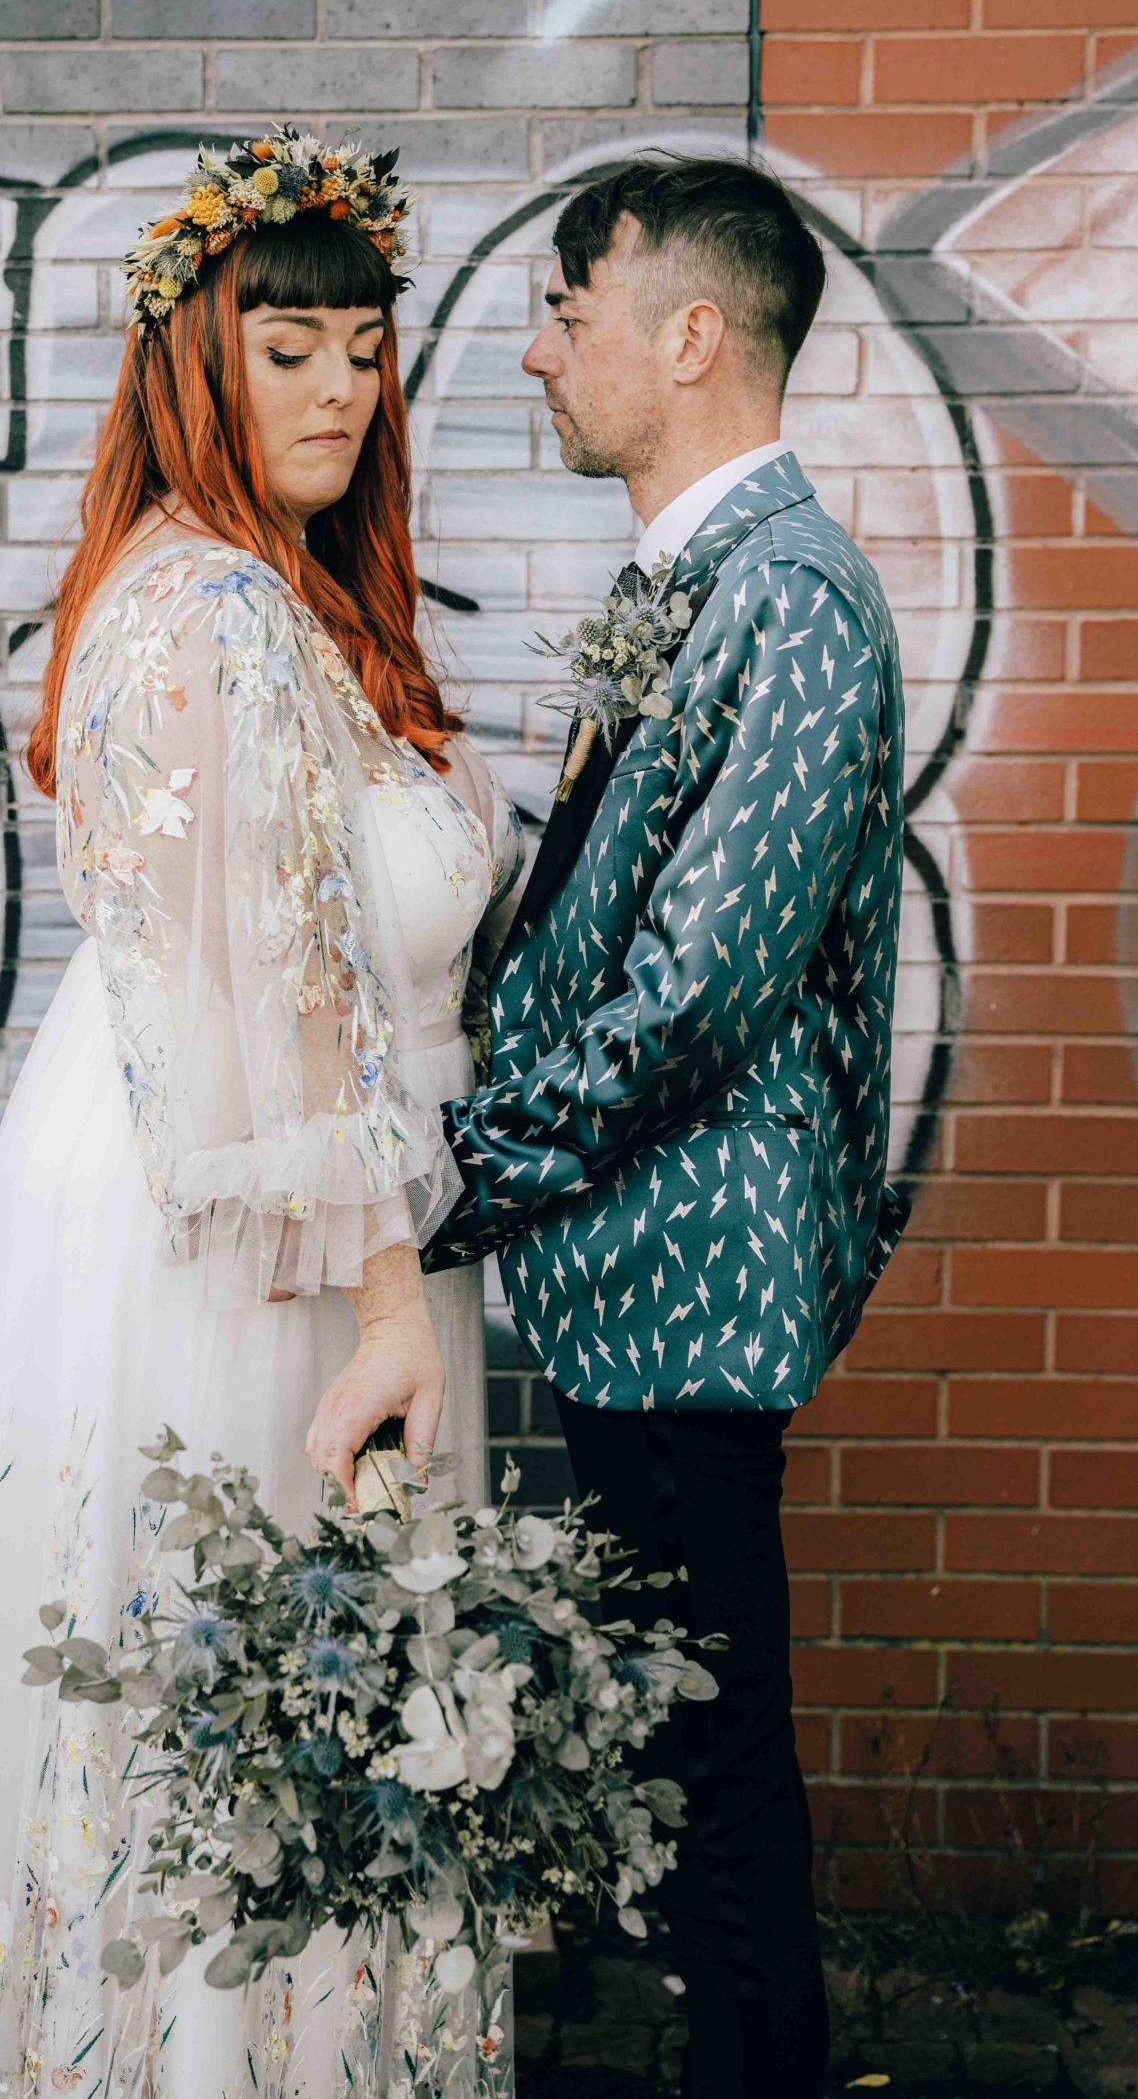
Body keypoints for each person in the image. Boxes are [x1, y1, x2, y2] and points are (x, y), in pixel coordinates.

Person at [0, 125, 524, 2099]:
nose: (337, 388)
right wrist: (393, 1303)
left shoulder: (265, 590)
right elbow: (292, 1007)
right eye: (286, 349)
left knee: (244, 1696)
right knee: (244, 1684)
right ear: (195, 366)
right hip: (261, 1233)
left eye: (361, 349)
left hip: (272, 1192)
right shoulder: (225, 612)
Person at [421, 154, 909, 2099]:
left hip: (690, 1286)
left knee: (711, 1774)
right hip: (632, 1279)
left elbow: (697, 986)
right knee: (682, 1755)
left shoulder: (786, 599)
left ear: (687, 334)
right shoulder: (685, 584)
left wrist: (461, 1173)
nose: (539, 350)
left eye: (567, 308)